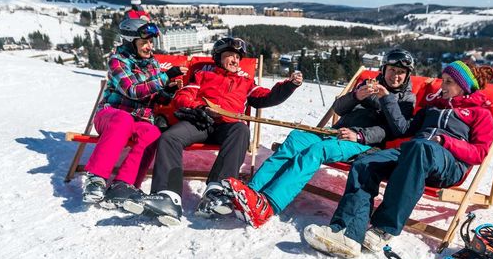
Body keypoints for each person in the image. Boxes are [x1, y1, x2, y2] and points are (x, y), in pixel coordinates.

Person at [304, 60, 493, 259]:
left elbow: (480, 153)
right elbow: (403, 129)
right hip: (414, 154)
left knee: (421, 147)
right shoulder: (433, 107)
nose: (442, 86)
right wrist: (387, 99)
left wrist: (444, 141)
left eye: (448, 82)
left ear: (463, 86)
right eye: (442, 80)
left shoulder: (480, 113)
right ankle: (346, 233)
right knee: (365, 163)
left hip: (448, 165)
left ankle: (383, 229)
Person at [220, 49, 417, 228]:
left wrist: (361, 132)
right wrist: (356, 96)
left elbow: (396, 130)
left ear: (407, 75)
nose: (395, 76)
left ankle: (268, 205)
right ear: (384, 69)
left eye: (401, 72)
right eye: (392, 70)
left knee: (316, 151)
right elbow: (338, 108)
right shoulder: (368, 85)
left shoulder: (406, 99)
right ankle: (251, 192)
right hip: (336, 131)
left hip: (362, 143)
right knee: (296, 139)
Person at [123, 37, 303, 226]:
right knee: (169, 137)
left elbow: (267, 97)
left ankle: (216, 192)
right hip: (200, 122)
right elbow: (183, 97)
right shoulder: (202, 76)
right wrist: (199, 108)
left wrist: (289, 86)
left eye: (237, 57)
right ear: (218, 58)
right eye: (229, 56)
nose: (234, 60)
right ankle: (167, 196)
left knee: (241, 129)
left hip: (227, 126)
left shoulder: (246, 83)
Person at [82, 18, 187, 207]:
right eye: (144, 42)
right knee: (123, 120)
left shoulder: (153, 63)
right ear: (130, 42)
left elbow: (154, 97)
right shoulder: (118, 62)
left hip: (140, 119)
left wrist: (167, 91)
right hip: (112, 115)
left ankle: (124, 184)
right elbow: (133, 90)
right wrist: (165, 77)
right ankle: (95, 179)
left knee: (153, 133)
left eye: (150, 42)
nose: (149, 47)